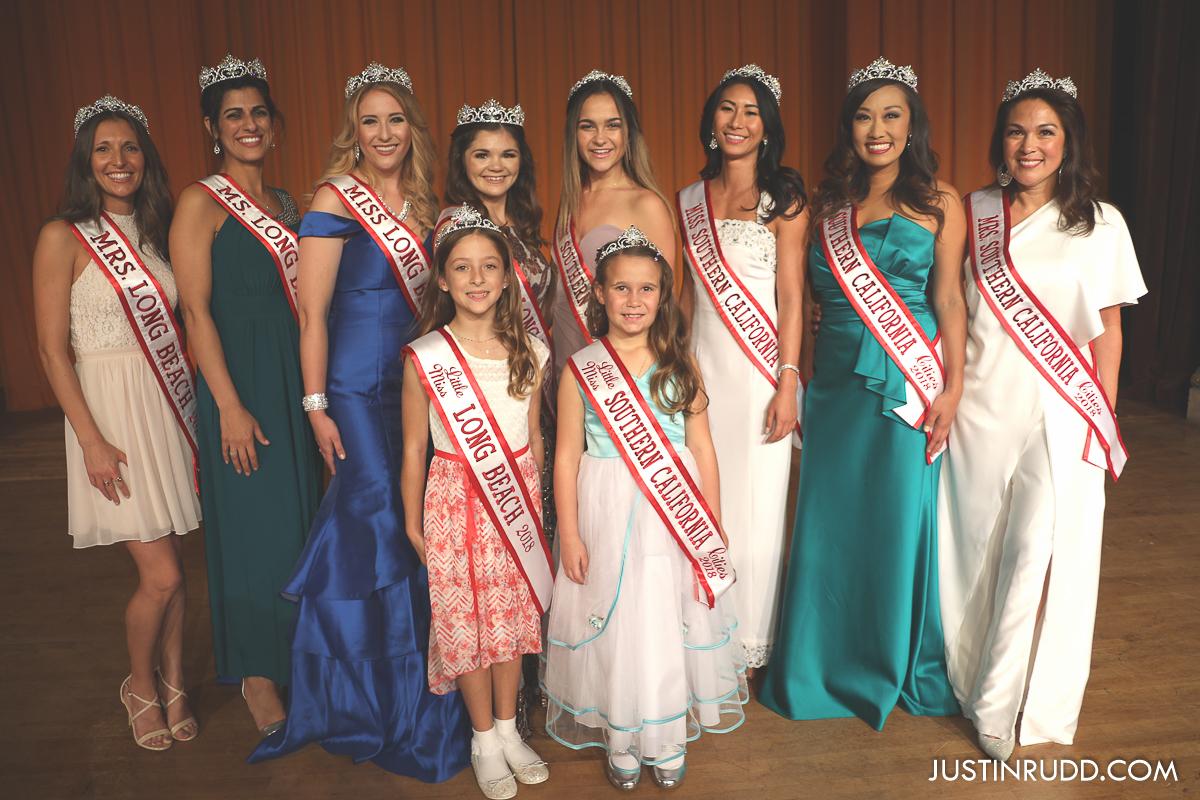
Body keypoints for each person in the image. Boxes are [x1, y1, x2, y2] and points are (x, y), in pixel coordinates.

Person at [247, 63, 471, 779]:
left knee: (418, 520)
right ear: (354, 131)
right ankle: (376, 697)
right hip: (350, 386)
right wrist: (315, 406)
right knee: (383, 527)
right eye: (370, 121)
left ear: (413, 129)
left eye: (395, 120)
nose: (383, 134)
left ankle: (416, 687)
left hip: (413, 385)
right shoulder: (335, 200)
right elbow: (312, 313)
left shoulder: (430, 205)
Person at [940, 70, 1147, 761]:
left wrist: (1102, 418)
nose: (1030, 145)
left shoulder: (1101, 221)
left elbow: (1107, 333)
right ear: (1001, 139)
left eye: (1047, 132)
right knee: (975, 554)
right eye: (1017, 131)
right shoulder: (974, 212)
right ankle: (968, 680)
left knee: (1035, 551)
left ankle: (999, 709)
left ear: (1069, 142)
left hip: (1061, 415)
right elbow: (953, 311)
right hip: (981, 411)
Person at [759, 57, 967, 728]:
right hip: (839, 382)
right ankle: (817, 663)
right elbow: (807, 296)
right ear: (848, 127)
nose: (877, 129)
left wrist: (954, 387)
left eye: (892, 115)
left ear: (913, 127)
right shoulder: (825, 204)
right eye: (863, 116)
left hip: (908, 386)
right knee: (828, 526)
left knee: (895, 521)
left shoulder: (943, 200)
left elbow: (949, 301)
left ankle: (885, 657)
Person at [542, 227, 748, 791]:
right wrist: (572, 536)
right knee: (616, 620)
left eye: (648, 289)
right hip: (603, 512)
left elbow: (702, 447)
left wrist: (712, 518)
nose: (635, 301)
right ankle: (623, 736)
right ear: (600, 294)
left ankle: (665, 735)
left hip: (671, 514)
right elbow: (566, 457)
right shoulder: (580, 368)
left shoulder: (681, 364)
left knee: (662, 618)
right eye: (622, 289)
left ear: (663, 297)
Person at [33, 96, 201, 752]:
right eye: (103, 148)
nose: (118, 159)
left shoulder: (160, 230)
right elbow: (52, 350)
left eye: (129, 146)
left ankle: (177, 678)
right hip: (107, 418)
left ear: (145, 156)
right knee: (159, 575)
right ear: (85, 160)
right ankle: (139, 684)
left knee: (178, 564)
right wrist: (92, 440)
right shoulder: (62, 236)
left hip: (164, 408)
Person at [171, 55, 322, 736]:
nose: (249, 124)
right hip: (239, 384)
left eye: (259, 112)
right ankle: (257, 675)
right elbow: (195, 311)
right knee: (255, 529)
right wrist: (228, 403)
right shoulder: (200, 202)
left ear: (275, 124)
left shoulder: (288, 205)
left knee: (295, 525)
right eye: (234, 114)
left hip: (292, 380)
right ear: (213, 127)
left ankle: (294, 657)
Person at [401, 208, 554, 799]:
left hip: (513, 499)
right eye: (462, 268)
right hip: (452, 498)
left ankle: (512, 730)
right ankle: (483, 738)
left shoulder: (532, 352)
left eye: (489, 266)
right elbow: (414, 447)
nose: (476, 278)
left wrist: (536, 507)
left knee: (513, 623)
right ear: (441, 279)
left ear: (508, 275)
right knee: (467, 623)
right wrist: (412, 519)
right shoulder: (425, 355)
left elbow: (536, 437)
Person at [678, 64, 807, 673]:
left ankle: (746, 644)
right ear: (711, 124)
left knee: (756, 512)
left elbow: (792, 296)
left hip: (760, 379)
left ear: (767, 127)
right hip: (700, 377)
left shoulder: (786, 200)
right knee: (707, 503)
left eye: (752, 112)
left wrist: (788, 378)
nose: (738, 121)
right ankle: (703, 632)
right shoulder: (686, 201)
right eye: (727, 109)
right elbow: (683, 299)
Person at [441, 97, 556, 736]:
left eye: (508, 153)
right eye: (481, 153)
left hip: (526, 394)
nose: (495, 164)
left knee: (528, 543)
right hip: (475, 406)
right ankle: (498, 716)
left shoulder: (528, 225)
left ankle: (528, 681)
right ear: (462, 161)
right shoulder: (455, 225)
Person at [551, 70, 675, 379]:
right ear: (573, 133)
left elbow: (665, 304)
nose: (600, 138)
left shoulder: (646, 204)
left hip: (622, 382)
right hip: (564, 366)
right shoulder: (569, 202)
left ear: (629, 132)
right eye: (587, 126)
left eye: (613, 125)